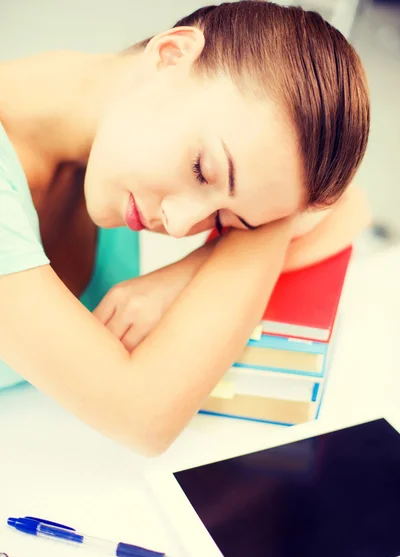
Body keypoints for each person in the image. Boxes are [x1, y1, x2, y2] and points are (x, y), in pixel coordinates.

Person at [0, 1, 370, 455]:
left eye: (223, 220)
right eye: (202, 170)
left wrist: (185, 271)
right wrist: (269, 222)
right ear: (171, 55)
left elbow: (349, 208)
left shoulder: (114, 137)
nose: (179, 224)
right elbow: (144, 417)